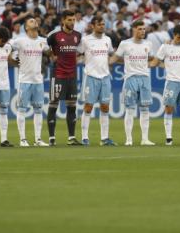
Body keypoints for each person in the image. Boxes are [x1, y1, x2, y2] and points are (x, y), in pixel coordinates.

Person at [110, 20, 156, 146]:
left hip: (145, 78)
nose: (142, 31)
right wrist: (105, 62)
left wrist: (154, 63)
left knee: (145, 109)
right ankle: (129, 139)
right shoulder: (125, 44)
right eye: (140, 29)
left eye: (144, 29)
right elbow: (115, 57)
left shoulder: (148, 43)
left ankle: (145, 139)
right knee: (130, 110)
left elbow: (152, 58)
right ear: (134, 29)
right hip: (130, 78)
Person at [10, 17, 51, 147]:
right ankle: (23, 139)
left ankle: (38, 139)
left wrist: (53, 47)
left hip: (38, 80)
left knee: (39, 110)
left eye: (35, 21)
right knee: (22, 109)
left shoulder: (42, 41)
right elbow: (7, 48)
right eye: (31, 21)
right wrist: (12, 61)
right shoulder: (20, 41)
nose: (35, 22)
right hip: (24, 80)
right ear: (26, 27)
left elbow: (50, 53)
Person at [78, 16, 116, 146]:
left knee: (105, 107)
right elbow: (78, 54)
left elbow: (110, 54)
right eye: (99, 24)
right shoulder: (85, 40)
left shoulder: (107, 39)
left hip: (105, 76)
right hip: (91, 76)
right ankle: (84, 137)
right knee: (88, 106)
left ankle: (104, 138)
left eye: (103, 24)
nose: (102, 26)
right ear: (93, 25)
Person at [46, 10, 82, 146]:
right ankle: (51, 139)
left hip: (72, 76)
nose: (72, 22)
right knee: (53, 105)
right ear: (63, 21)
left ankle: (71, 137)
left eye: (74, 20)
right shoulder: (54, 36)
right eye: (69, 20)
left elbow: (80, 51)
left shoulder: (78, 36)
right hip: (58, 75)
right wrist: (51, 56)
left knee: (72, 106)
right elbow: (44, 47)